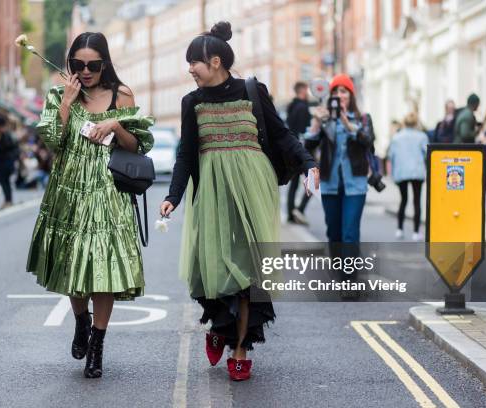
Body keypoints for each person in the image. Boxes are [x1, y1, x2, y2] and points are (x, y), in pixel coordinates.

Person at [159, 22, 318, 382]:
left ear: (214, 61)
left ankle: (241, 348)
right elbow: (185, 154)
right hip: (211, 193)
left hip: (253, 189)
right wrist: (173, 195)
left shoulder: (252, 90)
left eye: (193, 63)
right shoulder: (192, 102)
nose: (190, 70)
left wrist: (309, 164)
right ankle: (219, 327)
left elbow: (280, 133)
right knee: (212, 268)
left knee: (249, 272)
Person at [26, 32, 154, 379]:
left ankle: (97, 346)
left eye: (92, 65)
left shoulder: (121, 94)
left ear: (105, 64)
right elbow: (52, 142)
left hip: (109, 190)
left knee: (103, 270)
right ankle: (81, 320)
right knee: (72, 266)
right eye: (77, 65)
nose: (84, 71)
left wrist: (116, 124)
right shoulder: (58, 94)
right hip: (69, 190)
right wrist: (66, 103)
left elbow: (137, 146)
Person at [304, 74, 373, 295]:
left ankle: (349, 283)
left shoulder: (362, 118)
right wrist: (317, 121)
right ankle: (339, 271)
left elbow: (369, 141)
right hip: (331, 184)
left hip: (356, 185)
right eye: (336, 92)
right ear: (330, 96)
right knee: (334, 232)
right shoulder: (325, 119)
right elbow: (308, 144)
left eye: (344, 91)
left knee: (350, 233)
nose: (340, 96)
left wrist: (346, 123)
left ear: (351, 95)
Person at [388, 112, 428, 241]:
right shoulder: (422, 136)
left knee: (403, 200)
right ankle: (416, 232)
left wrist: (392, 174)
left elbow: (391, 156)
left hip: (402, 171)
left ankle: (399, 229)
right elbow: (427, 154)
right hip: (417, 171)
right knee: (417, 201)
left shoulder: (396, 137)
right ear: (416, 122)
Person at [286, 81, 313, 224]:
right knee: (314, 181)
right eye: (307, 90)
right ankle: (300, 209)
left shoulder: (291, 107)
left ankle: (291, 214)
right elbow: (304, 132)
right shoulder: (303, 108)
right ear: (302, 91)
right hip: (302, 151)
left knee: (294, 184)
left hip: (292, 150)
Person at [0, 118, 18, 209]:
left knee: (4, 181)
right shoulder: (8, 134)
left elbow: (4, 148)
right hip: (8, 162)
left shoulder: (4, 135)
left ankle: (8, 201)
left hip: (5, 163)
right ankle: (8, 200)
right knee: (5, 182)